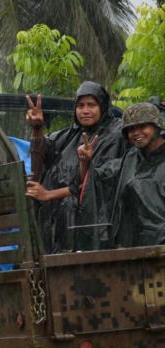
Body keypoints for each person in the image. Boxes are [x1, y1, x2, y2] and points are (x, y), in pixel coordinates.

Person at [24, 83, 126, 253]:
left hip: (90, 224)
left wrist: (48, 195)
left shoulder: (115, 135)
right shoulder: (68, 136)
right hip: (57, 225)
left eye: (91, 105)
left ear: (103, 106)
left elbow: (98, 182)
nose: (85, 110)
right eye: (80, 105)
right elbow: (39, 158)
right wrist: (37, 128)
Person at [78, 102, 165, 248]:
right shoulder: (129, 159)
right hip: (130, 248)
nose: (136, 132)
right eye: (130, 129)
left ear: (156, 127)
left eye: (142, 126)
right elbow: (94, 179)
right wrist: (85, 161)